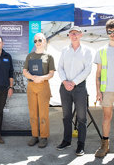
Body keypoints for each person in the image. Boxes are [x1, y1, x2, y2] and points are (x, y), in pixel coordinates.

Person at [57, 26, 92, 156]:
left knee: (82, 118)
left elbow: (87, 70)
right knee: (66, 116)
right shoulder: (64, 50)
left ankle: (81, 145)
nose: (74, 35)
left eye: (76, 33)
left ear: (81, 35)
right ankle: (66, 141)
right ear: (69, 36)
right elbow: (60, 67)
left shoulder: (87, 51)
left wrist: (74, 82)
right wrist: (65, 81)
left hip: (79, 88)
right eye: (72, 33)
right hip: (65, 87)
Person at [23, 33, 55, 148]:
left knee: (43, 113)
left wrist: (41, 78)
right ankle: (34, 135)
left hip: (43, 86)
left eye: (40, 40)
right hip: (31, 86)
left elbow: (51, 74)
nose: (37, 43)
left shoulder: (49, 57)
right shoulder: (30, 56)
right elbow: (25, 71)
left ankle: (44, 136)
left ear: (45, 41)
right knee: (33, 112)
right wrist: (33, 78)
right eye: (35, 41)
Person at [94, 19, 114, 158]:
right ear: (107, 32)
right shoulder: (101, 51)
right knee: (107, 117)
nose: (112, 33)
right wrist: (98, 92)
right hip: (106, 90)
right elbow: (98, 74)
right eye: (110, 31)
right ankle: (105, 145)